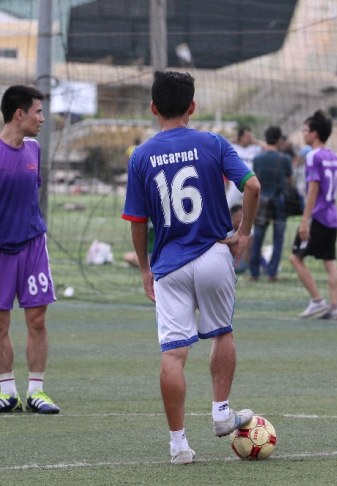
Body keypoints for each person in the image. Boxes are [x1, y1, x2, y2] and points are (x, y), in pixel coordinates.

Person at [122, 70, 260, 465]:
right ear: (192, 106)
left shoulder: (141, 155)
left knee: (174, 353)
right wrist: (244, 233)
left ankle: (179, 445)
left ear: (153, 108)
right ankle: (221, 413)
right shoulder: (213, 142)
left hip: (169, 265)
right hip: (215, 253)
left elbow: (136, 220)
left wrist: (146, 268)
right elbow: (252, 186)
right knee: (222, 332)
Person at [0, 85, 59, 415]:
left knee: (37, 319)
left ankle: (37, 392)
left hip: (33, 245)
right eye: (38, 112)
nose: (42, 118)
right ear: (19, 114)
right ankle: (7, 392)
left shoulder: (33, 150)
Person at [289, 110, 337, 320]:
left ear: (315, 133)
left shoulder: (312, 156)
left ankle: (317, 300)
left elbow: (314, 188)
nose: (303, 133)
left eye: (305, 130)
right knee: (330, 262)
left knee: (295, 258)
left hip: (317, 216)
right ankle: (334, 307)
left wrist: (304, 221)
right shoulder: (334, 157)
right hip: (332, 215)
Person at [249, 126, 292, 282]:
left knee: (258, 235)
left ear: (266, 138)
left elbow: (256, 177)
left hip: (262, 201)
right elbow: (290, 180)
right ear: (279, 140)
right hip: (278, 200)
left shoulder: (258, 158)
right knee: (278, 237)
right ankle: (271, 272)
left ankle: (254, 272)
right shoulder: (285, 158)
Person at [226, 126, 262, 206]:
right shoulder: (233, 147)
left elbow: (268, 147)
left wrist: (254, 141)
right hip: (236, 182)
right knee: (229, 205)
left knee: (251, 207)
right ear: (240, 137)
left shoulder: (254, 148)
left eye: (250, 136)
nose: (249, 138)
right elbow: (220, 144)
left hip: (250, 182)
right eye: (247, 136)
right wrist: (234, 139)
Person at [229, 204, 252, 274]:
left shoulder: (250, 233)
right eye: (239, 216)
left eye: (243, 217)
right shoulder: (226, 233)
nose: (241, 220)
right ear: (232, 216)